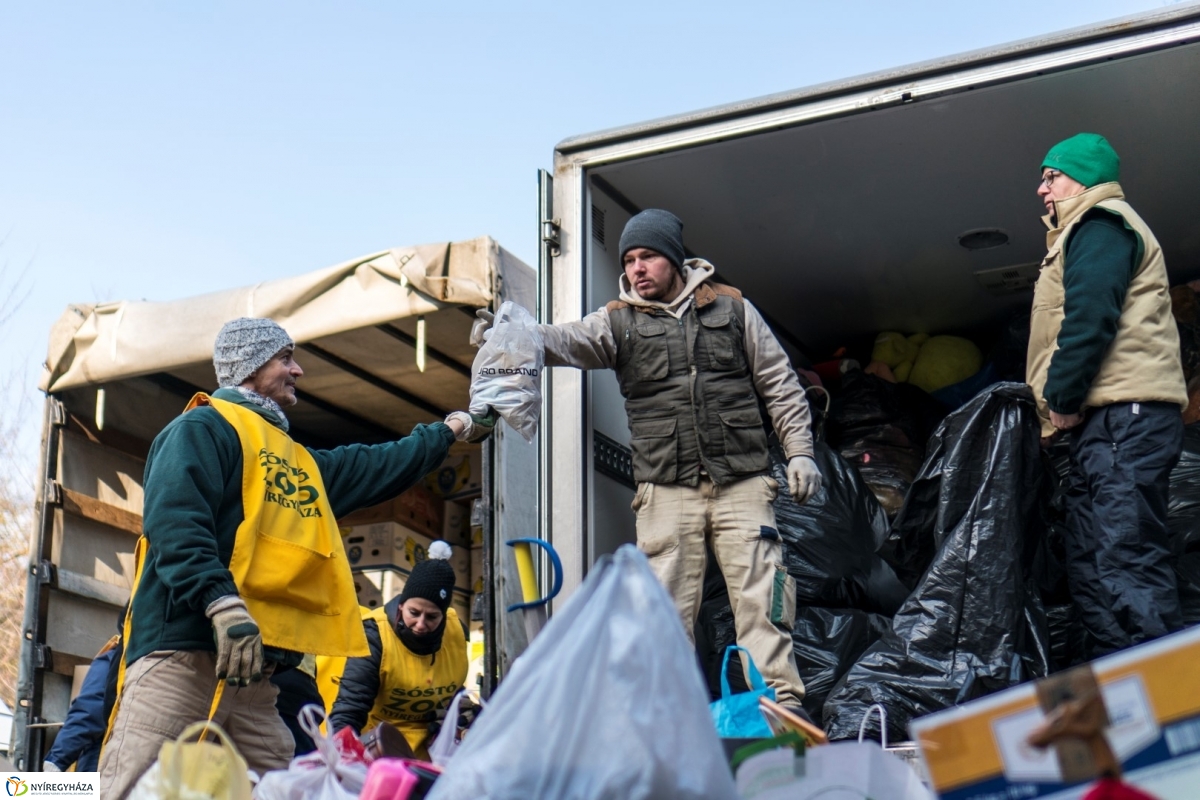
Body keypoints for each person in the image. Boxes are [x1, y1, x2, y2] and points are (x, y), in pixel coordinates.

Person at [98, 317, 493, 799]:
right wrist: (220, 603)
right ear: (251, 366)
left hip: (256, 678)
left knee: (287, 790)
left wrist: (452, 429)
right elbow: (175, 524)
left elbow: (376, 464)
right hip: (182, 660)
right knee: (138, 786)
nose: (299, 370)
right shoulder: (203, 429)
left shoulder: (297, 462)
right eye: (286, 358)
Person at [476, 209, 820, 709]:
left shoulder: (733, 309)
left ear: (675, 259)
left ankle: (782, 712)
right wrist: (517, 334)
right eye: (629, 259)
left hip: (742, 482)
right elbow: (567, 340)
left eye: (648, 256)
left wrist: (800, 452)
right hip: (665, 489)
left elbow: (780, 383)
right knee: (663, 613)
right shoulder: (617, 321)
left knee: (761, 601)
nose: (637, 268)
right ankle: (670, 720)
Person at [1029, 133, 1188, 657]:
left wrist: (1063, 401)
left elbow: (1090, 318)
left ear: (1085, 179)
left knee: (1126, 555)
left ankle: (1172, 706)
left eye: (1052, 176)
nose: (1041, 189)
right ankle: (1128, 696)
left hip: (1125, 415)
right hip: (1106, 424)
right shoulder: (1080, 232)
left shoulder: (1103, 224)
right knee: (1094, 564)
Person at [320, 543, 468, 760]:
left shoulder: (456, 634)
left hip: (429, 756)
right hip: (375, 752)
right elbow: (351, 706)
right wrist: (339, 757)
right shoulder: (375, 635)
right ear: (401, 606)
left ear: (444, 615)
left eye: (432, 617)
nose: (420, 624)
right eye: (413, 613)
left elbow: (453, 691)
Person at [42, 635, 121, 773]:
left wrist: (56, 760)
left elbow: (88, 713)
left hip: (101, 771)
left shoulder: (114, 660)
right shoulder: (163, 664)